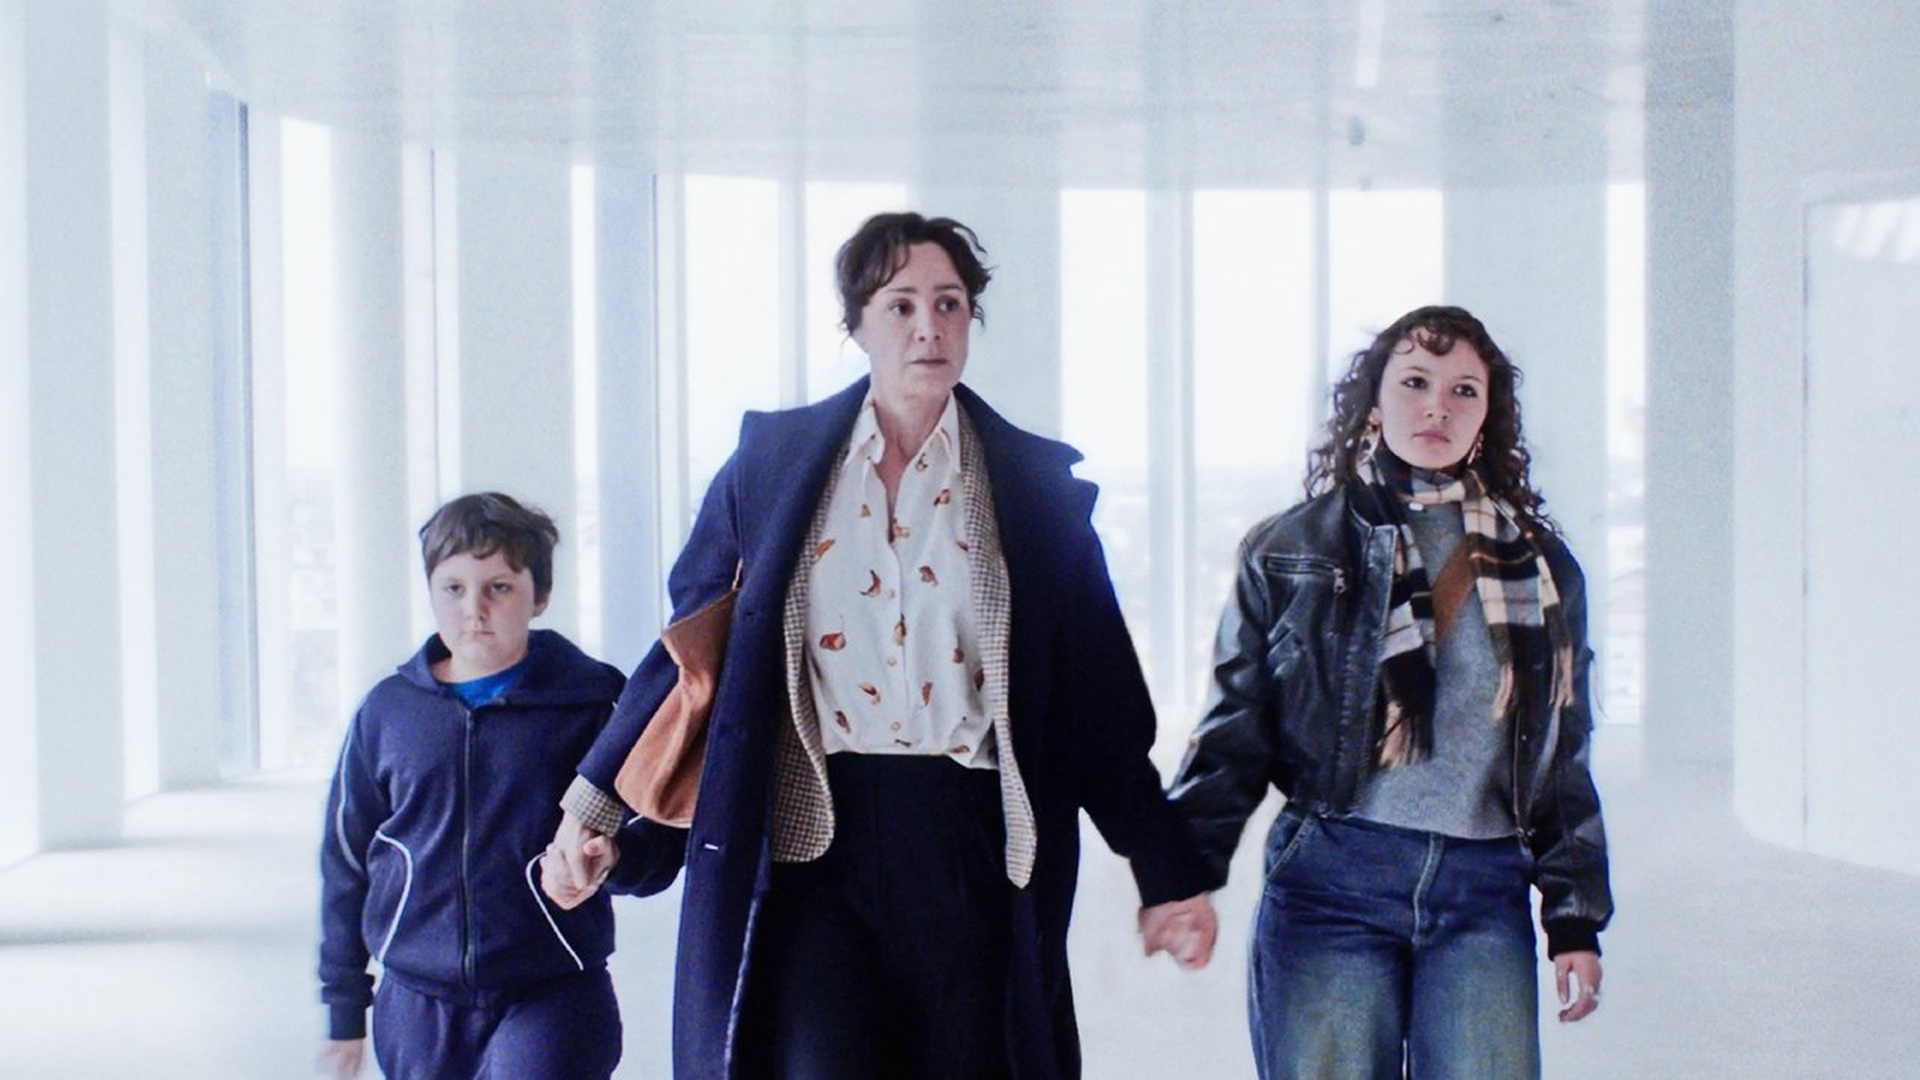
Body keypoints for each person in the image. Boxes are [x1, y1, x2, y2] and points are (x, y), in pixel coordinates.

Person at [541, 211, 1218, 1079]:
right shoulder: (771, 469)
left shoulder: (1032, 492)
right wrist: (591, 806)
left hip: (969, 845)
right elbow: (685, 657)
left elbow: (1099, 700)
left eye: (949, 303)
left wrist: (1165, 868)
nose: (928, 326)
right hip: (814, 846)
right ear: (856, 324)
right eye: (900, 305)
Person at [1163, 306, 1613, 1079]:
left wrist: (1574, 918)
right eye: (1415, 382)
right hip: (1332, 881)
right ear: (1373, 401)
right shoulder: (1292, 550)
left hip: (1482, 892)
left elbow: (1560, 754)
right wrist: (1183, 876)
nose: (1438, 406)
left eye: (1463, 390)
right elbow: (1236, 728)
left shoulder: (1543, 570)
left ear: (1487, 417)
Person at [316, 493, 645, 1080]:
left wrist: (615, 859)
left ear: (539, 595)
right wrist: (345, 1006)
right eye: (453, 588)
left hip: (553, 988)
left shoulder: (596, 703)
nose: (474, 609)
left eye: (499, 587)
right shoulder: (387, 713)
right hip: (418, 1001)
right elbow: (346, 860)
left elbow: (658, 831)